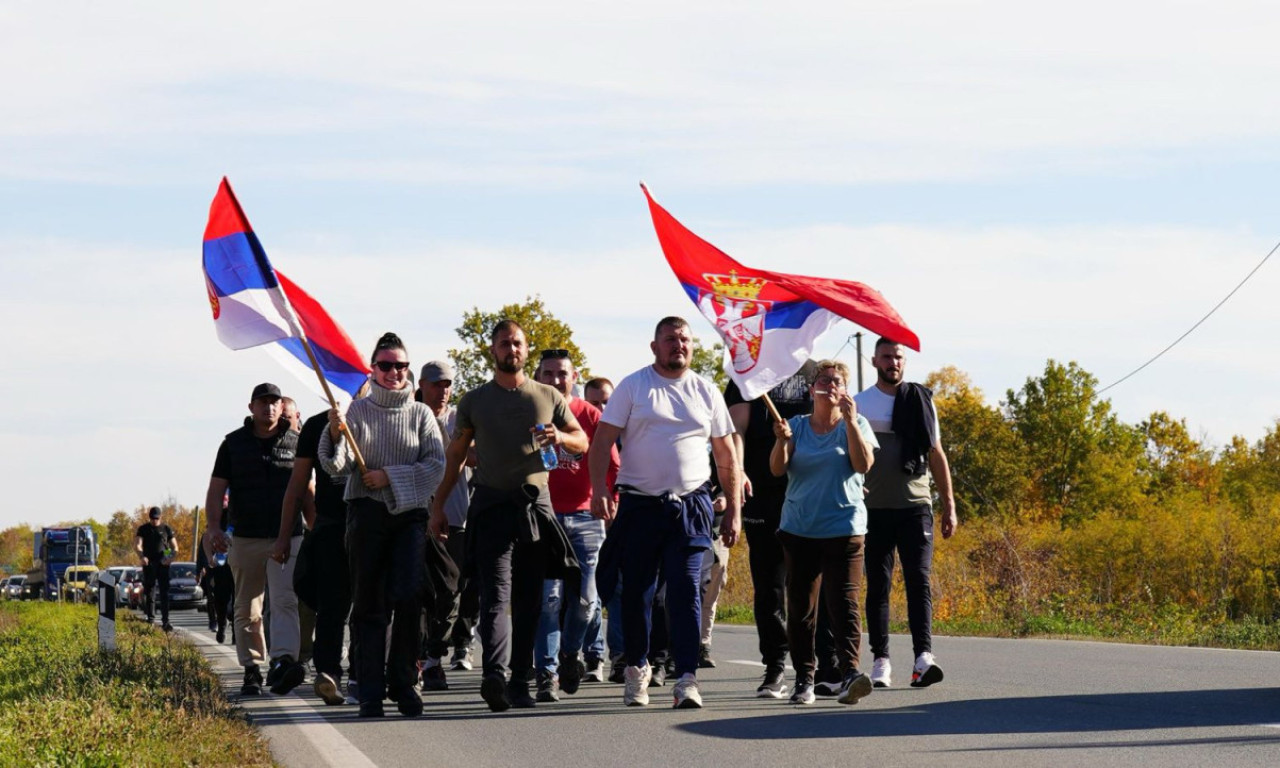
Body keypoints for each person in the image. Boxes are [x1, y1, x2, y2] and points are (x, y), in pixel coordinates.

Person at [429, 320, 588, 713]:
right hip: (491, 506)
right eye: (504, 344)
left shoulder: (548, 395)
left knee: (530, 598)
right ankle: (494, 676)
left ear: (526, 348)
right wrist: (438, 507)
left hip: (536, 508)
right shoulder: (473, 401)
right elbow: (454, 457)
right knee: (494, 596)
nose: (511, 350)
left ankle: (521, 681)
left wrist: (561, 437)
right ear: (493, 351)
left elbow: (581, 442)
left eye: (517, 343)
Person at [589, 316, 741, 709]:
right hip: (640, 504)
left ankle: (686, 678)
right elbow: (602, 441)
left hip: (691, 506)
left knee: (687, 590)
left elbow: (725, 455)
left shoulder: (705, 391)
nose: (679, 345)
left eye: (685, 340)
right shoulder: (634, 386)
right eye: (671, 339)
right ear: (654, 346)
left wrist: (734, 511)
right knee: (637, 593)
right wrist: (601, 490)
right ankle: (637, 669)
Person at [319, 333, 446, 718]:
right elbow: (335, 467)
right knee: (369, 604)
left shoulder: (421, 414)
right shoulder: (356, 411)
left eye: (401, 366)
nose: (394, 372)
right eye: (386, 365)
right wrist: (336, 432)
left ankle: (403, 683)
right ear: (372, 369)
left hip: (409, 517)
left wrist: (389, 476)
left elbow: (435, 466)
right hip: (366, 515)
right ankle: (370, 690)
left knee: (408, 599)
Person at [726, 360, 850, 697]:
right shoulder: (747, 371)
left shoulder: (817, 372)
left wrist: (847, 475)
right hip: (763, 491)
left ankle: (826, 666)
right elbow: (735, 430)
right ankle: (776, 667)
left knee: (816, 586)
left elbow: (836, 423)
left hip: (811, 495)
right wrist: (737, 470)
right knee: (769, 586)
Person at [770, 360, 878, 705]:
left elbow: (863, 465)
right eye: (824, 380)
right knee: (802, 607)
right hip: (800, 529)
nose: (831, 386)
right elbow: (776, 469)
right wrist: (780, 442)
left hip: (844, 529)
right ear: (811, 389)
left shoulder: (857, 423)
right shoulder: (797, 427)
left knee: (844, 605)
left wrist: (849, 422)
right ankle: (804, 678)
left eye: (838, 382)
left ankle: (849, 674)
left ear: (846, 391)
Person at [854, 337, 958, 689]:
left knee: (919, 580)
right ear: (874, 361)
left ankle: (923, 658)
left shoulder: (921, 401)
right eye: (887, 357)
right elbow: (848, 454)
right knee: (878, 586)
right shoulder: (860, 404)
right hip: (873, 509)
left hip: (916, 505)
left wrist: (949, 504)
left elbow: (935, 453)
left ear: (904, 362)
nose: (893, 363)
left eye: (898, 357)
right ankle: (881, 660)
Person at [204, 383, 306, 697]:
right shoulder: (233, 444)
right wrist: (214, 528)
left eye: (274, 402)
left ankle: (284, 661)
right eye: (263, 402)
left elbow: (309, 491)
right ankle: (251, 669)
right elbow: (216, 489)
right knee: (248, 607)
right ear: (251, 407)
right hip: (245, 537)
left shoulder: (297, 441)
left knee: (286, 600)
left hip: (287, 537)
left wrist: (318, 531)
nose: (269, 408)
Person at [531, 349, 619, 702]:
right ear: (538, 375)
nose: (555, 380)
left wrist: (611, 501)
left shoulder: (590, 414)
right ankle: (546, 674)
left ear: (574, 375)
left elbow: (614, 466)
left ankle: (570, 654)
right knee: (548, 600)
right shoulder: (530, 411)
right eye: (548, 373)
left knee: (585, 601)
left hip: (586, 517)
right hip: (544, 515)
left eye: (562, 373)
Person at [281, 382, 368, 706]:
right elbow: (297, 486)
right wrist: (282, 537)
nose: (349, 392)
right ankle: (329, 674)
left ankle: (363, 674)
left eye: (357, 384)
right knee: (332, 607)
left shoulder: (375, 421)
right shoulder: (316, 425)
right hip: (331, 527)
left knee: (368, 606)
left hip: (372, 527)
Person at [418, 359, 479, 692]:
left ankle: (434, 657)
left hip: (456, 518)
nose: (443, 390)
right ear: (422, 385)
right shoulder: (411, 417)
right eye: (436, 383)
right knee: (418, 592)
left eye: (448, 384)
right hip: (415, 517)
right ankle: (420, 657)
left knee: (450, 592)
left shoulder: (461, 419)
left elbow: (476, 459)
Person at [135, 506, 176, 631]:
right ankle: (150, 619)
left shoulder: (166, 529)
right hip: (149, 564)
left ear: (160, 517)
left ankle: (166, 621)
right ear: (149, 518)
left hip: (163, 564)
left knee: (164, 593)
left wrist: (169, 559)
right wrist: (142, 556)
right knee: (150, 592)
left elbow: (174, 547)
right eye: (152, 518)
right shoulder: (143, 529)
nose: (155, 521)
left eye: (157, 518)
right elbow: (138, 545)